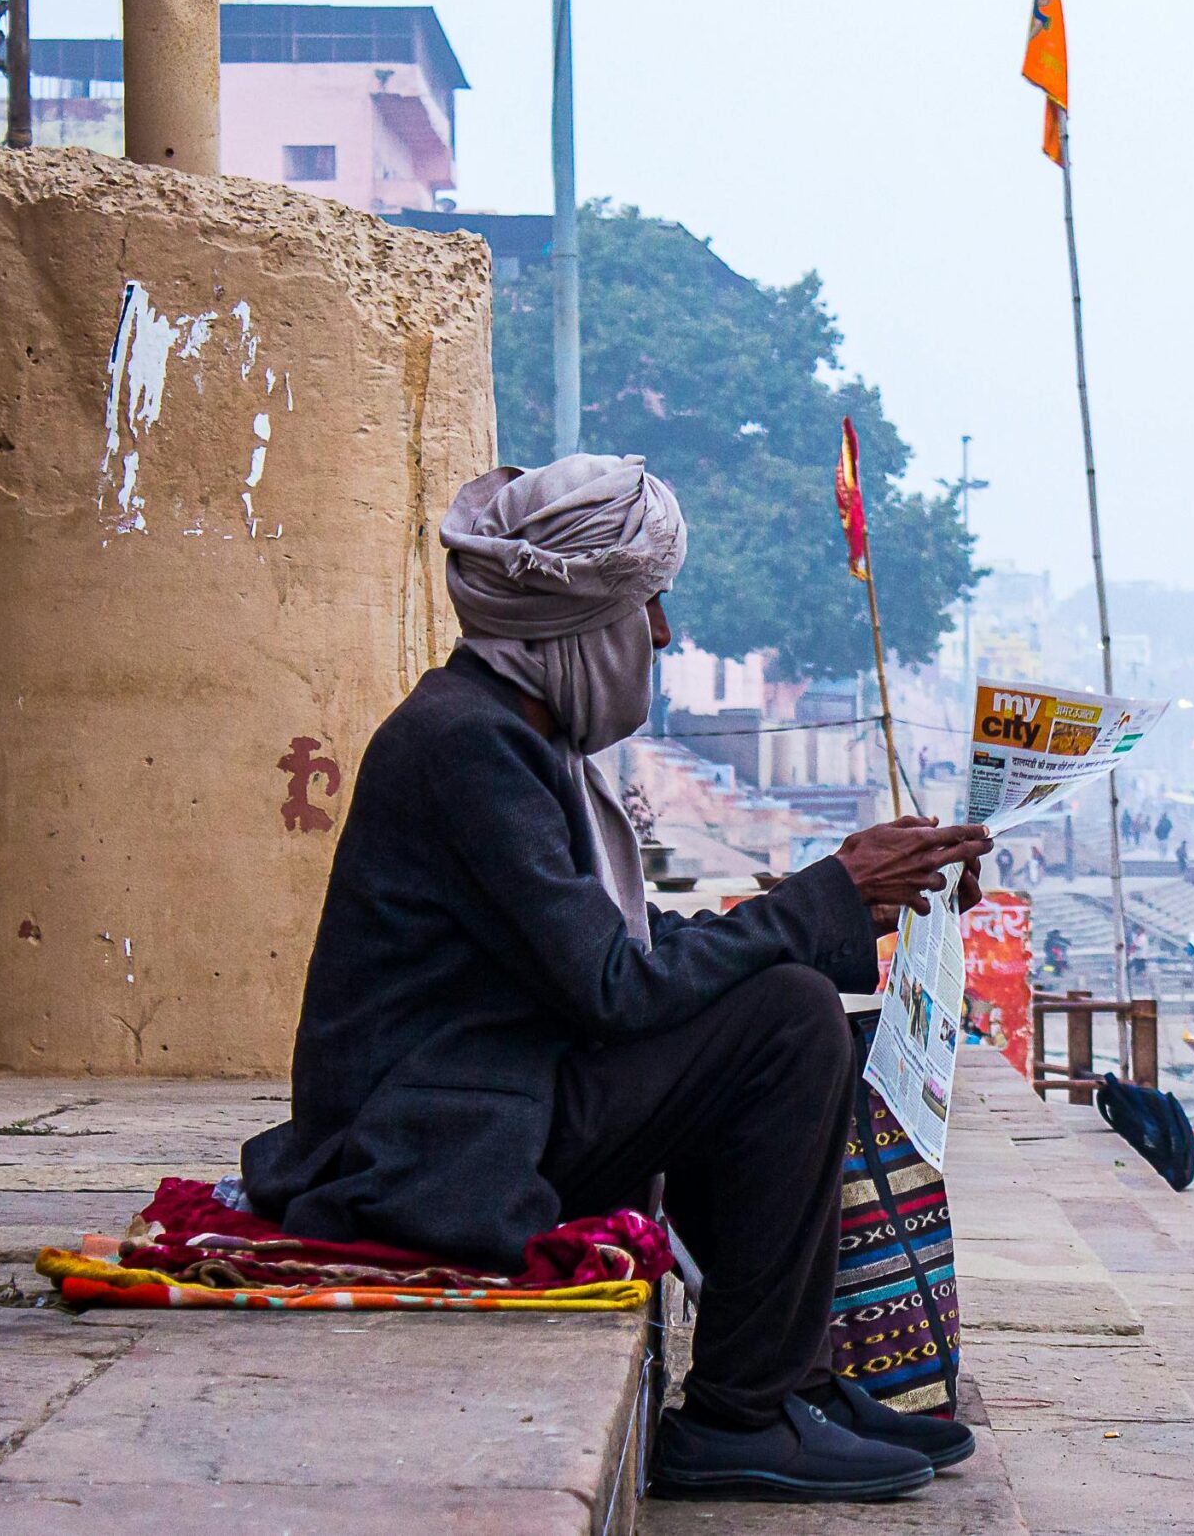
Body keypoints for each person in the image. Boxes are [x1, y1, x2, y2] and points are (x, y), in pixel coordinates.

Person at [240, 456, 994, 1501]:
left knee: (780, 996)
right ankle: (742, 1410)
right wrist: (814, 902)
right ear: (578, 627)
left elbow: (609, 952)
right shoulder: (467, 746)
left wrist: (834, 908)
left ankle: (794, 1384)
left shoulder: (506, 734)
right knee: (785, 1018)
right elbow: (613, 985)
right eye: (648, 609)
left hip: (486, 1094)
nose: (665, 637)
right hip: (425, 1138)